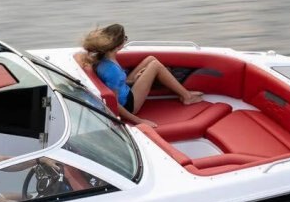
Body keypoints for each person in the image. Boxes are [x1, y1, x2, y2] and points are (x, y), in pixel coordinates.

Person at [74, 24, 202, 128]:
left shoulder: (103, 58)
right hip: (129, 104)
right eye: (125, 38)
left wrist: (132, 80)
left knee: (150, 59)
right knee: (155, 65)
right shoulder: (112, 71)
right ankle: (187, 97)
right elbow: (114, 103)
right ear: (118, 45)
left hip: (125, 87)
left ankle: (185, 94)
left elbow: (117, 83)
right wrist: (139, 120)